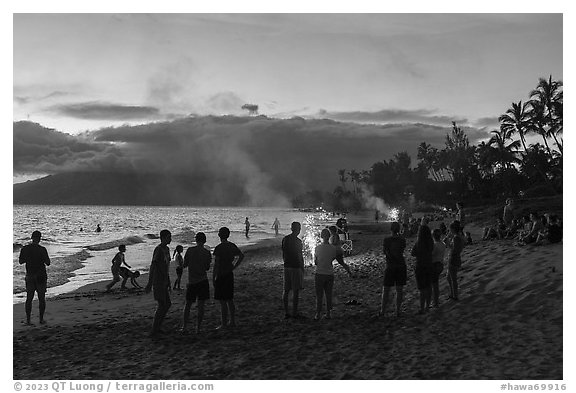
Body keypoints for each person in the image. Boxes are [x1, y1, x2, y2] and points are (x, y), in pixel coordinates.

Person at [314, 228, 353, 320]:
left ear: (321, 236)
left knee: (319, 295)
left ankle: (318, 314)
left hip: (319, 273)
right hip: (329, 273)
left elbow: (315, 262)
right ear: (329, 236)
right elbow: (333, 258)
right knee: (328, 294)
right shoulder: (333, 249)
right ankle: (328, 313)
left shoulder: (317, 248)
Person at [213, 227, 244, 328]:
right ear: (228, 235)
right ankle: (232, 321)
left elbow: (216, 264)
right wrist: (235, 266)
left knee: (222, 301)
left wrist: (214, 276)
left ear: (219, 235)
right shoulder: (231, 246)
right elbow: (241, 256)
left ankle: (224, 323)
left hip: (221, 274)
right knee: (230, 299)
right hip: (229, 273)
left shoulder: (219, 248)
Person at [19, 230, 51, 325]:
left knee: (29, 298)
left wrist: (29, 258)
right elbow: (48, 263)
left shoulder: (25, 249)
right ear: (40, 239)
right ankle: (41, 319)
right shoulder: (42, 249)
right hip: (40, 275)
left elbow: (21, 261)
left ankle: (28, 320)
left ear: (31, 238)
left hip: (30, 275)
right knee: (41, 298)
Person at [182, 232, 212, 334]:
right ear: (204, 241)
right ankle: (198, 328)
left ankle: (184, 327)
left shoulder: (190, 250)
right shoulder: (207, 253)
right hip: (203, 280)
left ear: (196, 240)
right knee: (201, 305)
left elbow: (185, 264)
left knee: (188, 304)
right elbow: (207, 268)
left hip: (192, 281)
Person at [145, 229, 172, 336]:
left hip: (164, 280)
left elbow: (167, 266)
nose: (170, 239)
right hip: (158, 280)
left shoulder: (167, 249)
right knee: (162, 304)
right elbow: (153, 266)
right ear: (163, 238)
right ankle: (154, 329)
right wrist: (149, 282)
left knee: (167, 304)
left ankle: (157, 327)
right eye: (169, 237)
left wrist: (168, 280)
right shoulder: (159, 250)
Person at [380, 221, 407, 318]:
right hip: (400, 265)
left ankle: (383, 311)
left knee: (386, 289)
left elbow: (385, 252)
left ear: (391, 229)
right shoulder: (402, 239)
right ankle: (398, 311)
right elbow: (402, 249)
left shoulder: (387, 240)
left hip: (390, 265)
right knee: (399, 289)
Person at [281, 222, 305, 319]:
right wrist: (302, 267)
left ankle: (286, 312)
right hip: (295, 266)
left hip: (287, 266)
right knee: (295, 291)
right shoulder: (298, 241)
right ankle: (294, 312)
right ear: (298, 230)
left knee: (286, 290)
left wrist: (285, 261)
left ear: (291, 228)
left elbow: (283, 253)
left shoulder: (285, 239)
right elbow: (300, 256)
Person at [411, 221, 434, 313]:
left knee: (422, 289)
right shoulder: (431, 242)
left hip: (420, 266)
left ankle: (421, 308)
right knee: (428, 286)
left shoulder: (419, 243)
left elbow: (413, 253)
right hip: (429, 265)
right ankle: (427, 307)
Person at [446, 221, 464, 301]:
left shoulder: (456, 238)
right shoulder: (458, 236)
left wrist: (448, 244)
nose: (449, 231)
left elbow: (455, 250)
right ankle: (452, 293)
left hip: (454, 259)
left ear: (453, 229)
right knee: (448, 277)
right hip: (455, 258)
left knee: (453, 278)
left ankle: (455, 295)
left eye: (450, 229)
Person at [431, 229, 446, 308]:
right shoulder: (443, 244)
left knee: (434, 285)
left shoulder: (435, 245)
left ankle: (435, 302)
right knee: (435, 284)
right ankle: (435, 301)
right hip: (440, 264)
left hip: (435, 265)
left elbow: (432, 254)